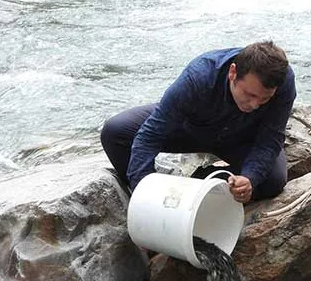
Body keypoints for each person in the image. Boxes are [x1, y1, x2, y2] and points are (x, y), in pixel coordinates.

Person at [100, 41, 295, 204]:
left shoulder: (284, 82)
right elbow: (151, 135)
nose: (254, 104)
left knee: (273, 180)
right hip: (190, 130)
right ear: (233, 73)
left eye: (264, 99)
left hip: (241, 138)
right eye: (249, 95)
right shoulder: (200, 76)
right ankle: (152, 187)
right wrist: (146, 198)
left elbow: (270, 139)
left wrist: (249, 178)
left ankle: (204, 183)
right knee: (115, 131)